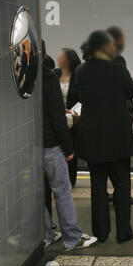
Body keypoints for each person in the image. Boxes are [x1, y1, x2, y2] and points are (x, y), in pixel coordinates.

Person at [76, 30, 133, 244]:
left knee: (98, 185)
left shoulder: (81, 71)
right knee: (122, 184)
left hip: (93, 137)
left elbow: (78, 96)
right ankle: (124, 232)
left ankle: (101, 233)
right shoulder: (118, 70)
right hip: (118, 137)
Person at [41, 40, 97, 250]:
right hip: (50, 144)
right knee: (62, 191)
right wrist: (69, 148)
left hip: (31, 145)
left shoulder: (25, 79)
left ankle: (46, 234)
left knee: (39, 194)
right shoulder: (49, 78)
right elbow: (56, 117)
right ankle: (73, 237)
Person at [106, 26, 133, 206]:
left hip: (99, 125)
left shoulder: (89, 63)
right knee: (121, 168)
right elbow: (131, 89)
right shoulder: (118, 61)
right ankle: (123, 197)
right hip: (119, 121)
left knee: (102, 170)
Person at [55, 48, 82, 187]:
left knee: (72, 148)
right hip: (58, 117)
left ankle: (71, 180)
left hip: (72, 117)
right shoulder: (56, 73)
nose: (59, 59)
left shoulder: (78, 74)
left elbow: (82, 97)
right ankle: (59, 178)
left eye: (62, 57)